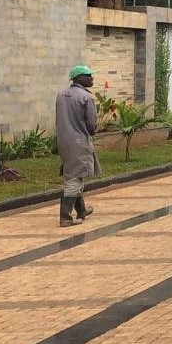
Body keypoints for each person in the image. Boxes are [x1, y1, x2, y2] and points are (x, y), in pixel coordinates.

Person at [55, 64, 100, 227]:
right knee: (74, 178)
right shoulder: (86, 97)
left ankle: (81, 210)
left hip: (63, 142)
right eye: (88, 75)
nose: (92, 78)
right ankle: (65, 217)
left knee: (74, 173)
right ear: (79, 78)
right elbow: (91, 126)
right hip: (79, 143)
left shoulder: (61, 94)